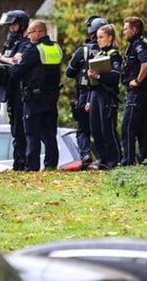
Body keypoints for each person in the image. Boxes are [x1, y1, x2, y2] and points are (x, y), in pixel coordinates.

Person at [8, 20, 63, 171]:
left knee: (32, 134)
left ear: (38, 33)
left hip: (34, 99)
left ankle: (31, 167)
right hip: (51, 98)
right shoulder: (56, 48)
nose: (28, 36)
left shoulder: (33, 51)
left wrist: (14, 63)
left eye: (30, 33)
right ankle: (51, 166)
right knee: (50, 135)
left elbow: (17, 72)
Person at [0, 9, 32, 170]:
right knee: (16, 131)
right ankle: (18, 163)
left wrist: (0, 57)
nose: (11, 29)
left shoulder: (26, 43)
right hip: (11, 90)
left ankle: (23, 163)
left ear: (21, 25)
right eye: (9, 25)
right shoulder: (10, 42)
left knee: (22, 130)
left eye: (13, 25)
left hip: (21, 92)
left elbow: (17, 62)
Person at [65, 15, 107, 167]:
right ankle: (104, 158)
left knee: (82, 129)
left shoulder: (83, 50)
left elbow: (69, 72)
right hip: (104, 93)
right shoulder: (110, 51)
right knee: (101, 128)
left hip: (84, 92)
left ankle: (85, 155)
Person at [85, 23, 123, 169]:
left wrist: (99, 76)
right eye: (97, 37)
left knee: (107, 129)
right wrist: (89, 100)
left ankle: (114, 161)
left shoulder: (114, 55)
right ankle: (102, 160)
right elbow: (92, 82)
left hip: (107, 95)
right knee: (95, 128)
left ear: (110, 38)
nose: (98, 40)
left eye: (101, 37)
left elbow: (115, 76)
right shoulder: (99, 54)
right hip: (95, 94)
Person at [120, 16, 147, 165]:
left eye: (125, 29)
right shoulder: (138, 44)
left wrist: (139, 81)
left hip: (137, 92)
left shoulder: (139, 45)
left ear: (134, 30)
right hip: (143, 92)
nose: (123, 32)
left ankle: (127, 162)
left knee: (127, 126)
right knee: (143, 127)